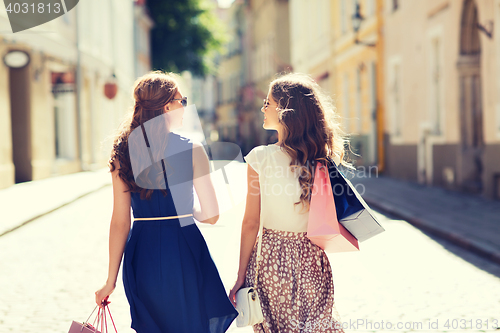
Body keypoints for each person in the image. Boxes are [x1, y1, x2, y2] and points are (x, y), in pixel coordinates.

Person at [95, 71, 238, 333]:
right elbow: (212, 215)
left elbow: (119, 222)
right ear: (166, 106)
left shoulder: (123, 153)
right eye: (182, 101)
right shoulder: (192, 149)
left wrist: (110, 280)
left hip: (142, 254)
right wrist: (189, 209)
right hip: (183, 248)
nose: (185, 107)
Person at [229, 73, 349, 333]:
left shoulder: (260, 159)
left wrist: (240, 276)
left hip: (271, 262)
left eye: (267, 103)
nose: (263, 108)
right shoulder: (322, 158)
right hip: (312, 259)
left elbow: (251, 223)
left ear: (284, 111)